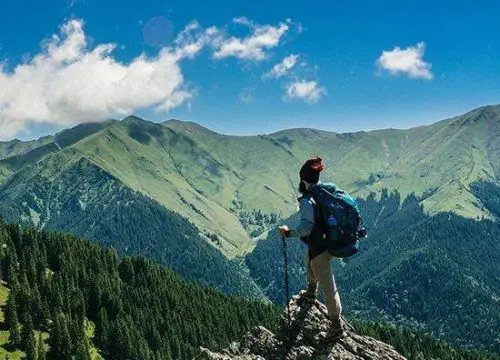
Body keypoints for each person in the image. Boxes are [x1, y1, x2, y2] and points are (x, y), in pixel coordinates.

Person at [279, 156, 346, 342]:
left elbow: (306, 229)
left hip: (320, 248)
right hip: (328, 243)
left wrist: (288, 232)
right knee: (308, 258)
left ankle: (336, 326)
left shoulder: (309, 200)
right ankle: (310, 293)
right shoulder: (325, 192)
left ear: (303, 180)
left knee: (329, 286)